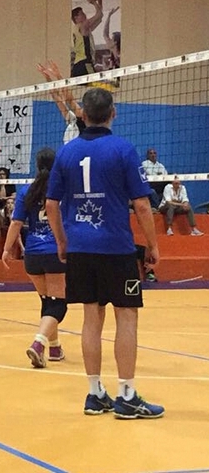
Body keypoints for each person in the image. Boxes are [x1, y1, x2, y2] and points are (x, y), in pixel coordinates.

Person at [46, 87, 164, 419]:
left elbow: (51, 205)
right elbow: (142, 205)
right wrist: (153, 245)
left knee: (91, 317)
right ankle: (126, 395)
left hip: (80, 248)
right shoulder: (123, 149)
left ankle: (95, 393)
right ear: (113, 113)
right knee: (126, 315)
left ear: (83, 115)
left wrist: (62, 241)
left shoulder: (67, 152)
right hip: (115, 248)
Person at [2, 148, 67, 368]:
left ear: (37, 166)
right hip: (55, 252)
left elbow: (16, 223)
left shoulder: (26, 191)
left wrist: (6, 249)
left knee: (48, 302)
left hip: (33, 255)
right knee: (58, 305)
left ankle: (55, 348)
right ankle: (39, 344)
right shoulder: (62, 189)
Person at [37, 60, 85, 144]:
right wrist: (48, 77)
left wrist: (58, 75)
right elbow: (57, 99)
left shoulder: (82, 118)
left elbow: (69, 100)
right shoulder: (72, 120)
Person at [70, 0, 103, 77]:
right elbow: (99, 15)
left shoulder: (77, 28)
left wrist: (99, 1)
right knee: (94, 81)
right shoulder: (83, 26)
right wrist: (94, 2)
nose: (85, 15)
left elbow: (100, 17)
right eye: (82, 13)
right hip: (85, 62)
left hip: (78, 64)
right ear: (76, 18)